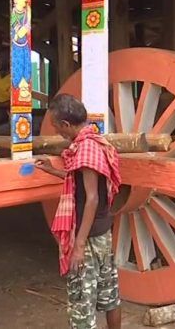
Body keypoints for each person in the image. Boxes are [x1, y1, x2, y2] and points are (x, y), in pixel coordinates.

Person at [35, 94, 122, 329]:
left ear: (66, 124)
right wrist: (52, 172)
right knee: (109, 295)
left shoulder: (84, 151)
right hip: (103, 232)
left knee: (82, 305)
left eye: (57, 127)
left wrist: (79, 246)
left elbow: (91, 198)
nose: (57, 133)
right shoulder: (96, 142)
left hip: (90, 236)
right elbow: (83, 185)